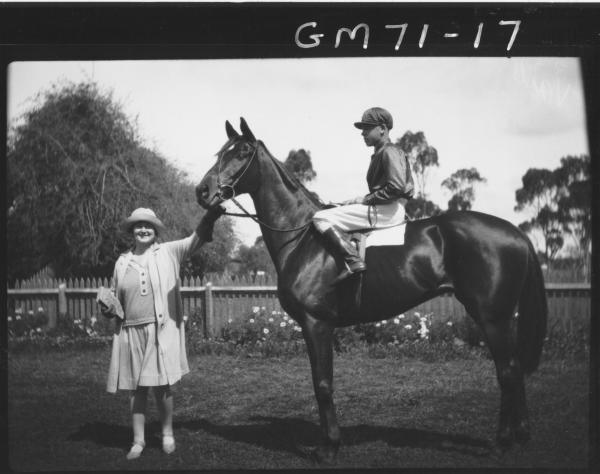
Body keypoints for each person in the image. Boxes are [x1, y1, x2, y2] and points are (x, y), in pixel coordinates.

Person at [100, 206, 224, 460]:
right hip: (131, 331)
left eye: (148, 226)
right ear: (132, 231)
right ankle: (138, 440)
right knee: (137, 389)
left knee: (162, 386)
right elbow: (115, 299)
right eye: (138, 226)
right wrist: (107, 306)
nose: (143, 230)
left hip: (159, 331)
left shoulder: (168, 252)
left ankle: (167, 434)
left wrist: (210, 215)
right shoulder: (122, 261)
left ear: (155, 231)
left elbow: (195, 240)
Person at [312, 107, 414, 281]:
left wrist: (366, 200)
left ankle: (352, 261)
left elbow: (396, 187)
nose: (363, 133)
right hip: (386, 208)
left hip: (388, 210)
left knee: (320, 218)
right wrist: (358, 201)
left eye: (367, 128)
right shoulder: (381, 152)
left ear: (382, 128)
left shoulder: (389, 151)